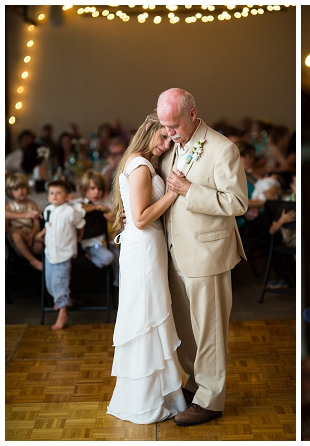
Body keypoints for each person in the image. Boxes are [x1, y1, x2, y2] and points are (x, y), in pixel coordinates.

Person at [157, 88, 248, 426]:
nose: (169, 133)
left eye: (175, 125)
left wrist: (190, 191)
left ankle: (211, 399)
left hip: (208, 252)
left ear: (193, 114)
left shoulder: (223, 149)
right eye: (166, 126)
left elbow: (238, 203)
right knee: (186, 329)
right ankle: (196, 386)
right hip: (174, 252)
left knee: (209, 331)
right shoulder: (169, 149)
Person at [106, 113, 186, 423]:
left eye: (170, 137)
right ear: (148, 132)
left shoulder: (140, 162)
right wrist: (173, 193)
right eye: (162, 137)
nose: (166, 144)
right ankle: (148, 398)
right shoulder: (140, 165)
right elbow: (139, 218)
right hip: (143, 248)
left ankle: (161, 393)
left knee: (149, 315)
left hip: (145, 247)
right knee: (146, 317)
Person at [35, 179, 86, 330]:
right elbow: (48, 225)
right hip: (50, 253)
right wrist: (42, 234)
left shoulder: (70, 211)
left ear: (68, 197)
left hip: (63, 255)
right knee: (50, 284)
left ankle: (63, 312)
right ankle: (64, 299)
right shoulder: (48, 210)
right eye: (51, 193)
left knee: (59, 283)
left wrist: (79, 237)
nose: (55, 196)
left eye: (59, 193)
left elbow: (80, 224)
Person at [74, 170, 116, 269]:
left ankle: (117, 283)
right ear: (84, 190)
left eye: (99, 189)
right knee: (108, 257)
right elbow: (78, 209)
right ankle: (91, 258)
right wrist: (96, 208)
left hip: (109, 241)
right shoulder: (80, 204)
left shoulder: (108, 204)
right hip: (91, 243)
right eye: (92, 188)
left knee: (119, 257)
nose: (96, 192)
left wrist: (113, 217)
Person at [5, 173, 44, 270]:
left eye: (23, 187)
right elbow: (6, 228)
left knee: (42, 244)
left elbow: (36, 225)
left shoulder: (32, 204)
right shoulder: (8, 207)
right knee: (16, 236)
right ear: (10, 192)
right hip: (16, 234)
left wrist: (31, 234)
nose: (21, 191)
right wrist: (16, 230)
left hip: (31, 234)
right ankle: (33, 261)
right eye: (16, 189)